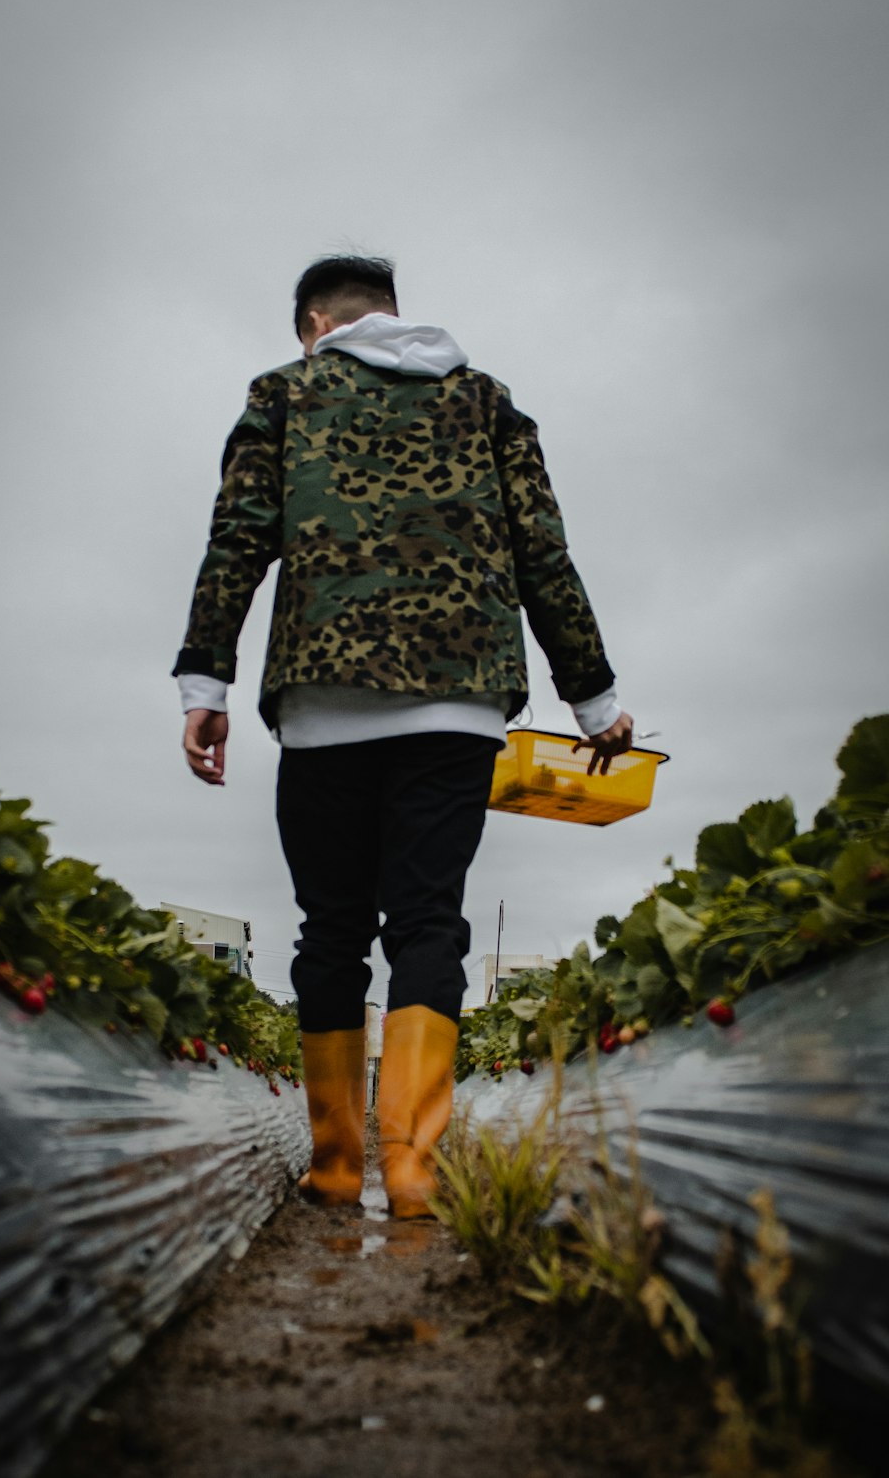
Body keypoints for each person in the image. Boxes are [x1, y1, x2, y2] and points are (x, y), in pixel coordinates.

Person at [173, 255, 632, 1218]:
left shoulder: (285, 393)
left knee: (331, 930)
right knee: (428, 922)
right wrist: (594, 702)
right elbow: (544, 551)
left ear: (314, 323)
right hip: (458, 704)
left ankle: (338, 1166)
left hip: (321, 700)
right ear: (390, 312)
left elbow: (238, 535)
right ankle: (414, 1170)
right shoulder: (487, 403)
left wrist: (204, 680)